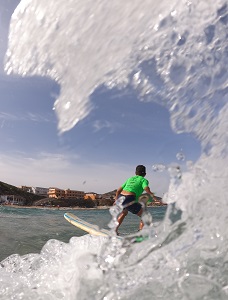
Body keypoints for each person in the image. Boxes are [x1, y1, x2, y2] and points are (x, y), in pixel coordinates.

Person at [114, 165, 157, 234]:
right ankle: (140, 233)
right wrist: (154, 197)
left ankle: (114, 230)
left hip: (120, 197)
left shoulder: (130, 179)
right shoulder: (144, 180)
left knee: (124, 212)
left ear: (135, 172)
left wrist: (116, 200)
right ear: (145, 174)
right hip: (129, 198)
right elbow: (146, 188)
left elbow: (118, 190)